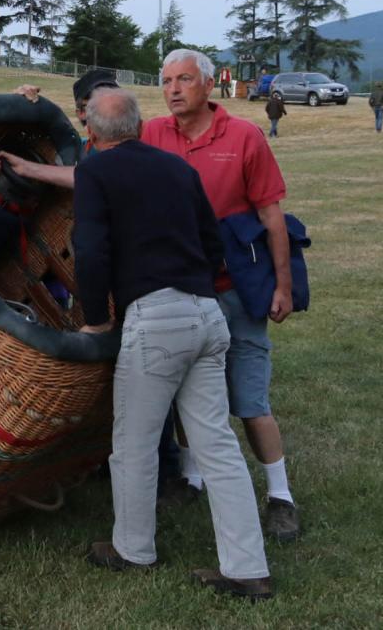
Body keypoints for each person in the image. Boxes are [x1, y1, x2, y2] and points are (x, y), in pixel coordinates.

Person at [1, 50, 304, 542]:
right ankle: (200, 489)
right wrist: (33, 112)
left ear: (209, 85)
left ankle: (279, 495)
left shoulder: (245, 137)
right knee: (201, 414)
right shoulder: (153, 136)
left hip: (228, 292)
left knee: (245, 401)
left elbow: (272, 219)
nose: (173, 89)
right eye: (166, 81)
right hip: (200, 293)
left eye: (184, 79)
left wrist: (282, 285)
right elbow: (99, 153)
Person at [74, 89, 271, 599]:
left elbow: (91, 251)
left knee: (133, 443)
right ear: (139, 126)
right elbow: (212, 243)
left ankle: (133, 549)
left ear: (92, 133)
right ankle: (248, 567)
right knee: (218, 446)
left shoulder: (94, 171)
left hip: (154, 318)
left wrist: (96, 321)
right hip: (207, 315)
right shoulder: (179, 169)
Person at [11, 71, 184, 501]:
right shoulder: (88, 147)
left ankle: (161, 472)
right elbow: (76, 171)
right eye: (99, 98)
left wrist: (95, 320)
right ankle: (114, 460)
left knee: (150, 381)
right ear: (84, 113)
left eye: (114, 95)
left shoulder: (134, 144)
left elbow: (86, 195)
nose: (111, 102)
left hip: (143, 287)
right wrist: (21, 102)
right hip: (127, 286)